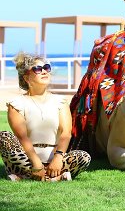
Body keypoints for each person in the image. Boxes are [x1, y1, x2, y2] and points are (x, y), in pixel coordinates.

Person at [0, 51, 91, 181]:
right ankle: (53, 178)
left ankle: (25, 178)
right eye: (38, 69)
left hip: (55, 159)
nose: (44, 71)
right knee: (4, 136)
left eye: (46, 68)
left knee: (84, 157)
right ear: (26, 77)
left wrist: (58, 158)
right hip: (27, 160)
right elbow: (22, 137)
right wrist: (36, 163)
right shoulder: (16, 103)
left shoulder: (60, 101)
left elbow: (66, 133)